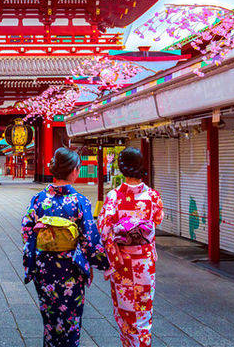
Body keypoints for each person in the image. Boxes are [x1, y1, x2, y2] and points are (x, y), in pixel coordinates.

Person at [21, 147, 109, 347]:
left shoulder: (39, 200)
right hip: (70, 269)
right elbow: (89, 239)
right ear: (74, 171)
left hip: (44, 268)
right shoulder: (79, 201)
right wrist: (102, 263)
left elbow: (26, 231)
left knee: (50, 320)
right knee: (70, 321)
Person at [97, 147, 164, 347]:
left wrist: (114, 247)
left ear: (121, 167)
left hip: (122, 262)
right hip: (144, 263)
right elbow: (157, 220)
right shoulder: (153, 196)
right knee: (143, 314)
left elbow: (104, 229)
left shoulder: (113, 197)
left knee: (125, 313)